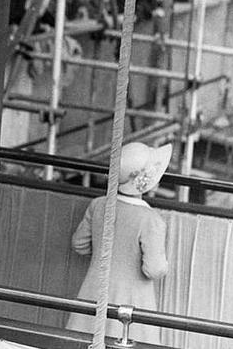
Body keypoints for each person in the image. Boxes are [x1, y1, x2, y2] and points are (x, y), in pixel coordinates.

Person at [67, 142, 171, 345]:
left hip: (93, 291)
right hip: (132, 299)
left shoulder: (99, 205)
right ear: (146, 181)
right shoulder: (151, 220)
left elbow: (79, 244)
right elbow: (154, 270)